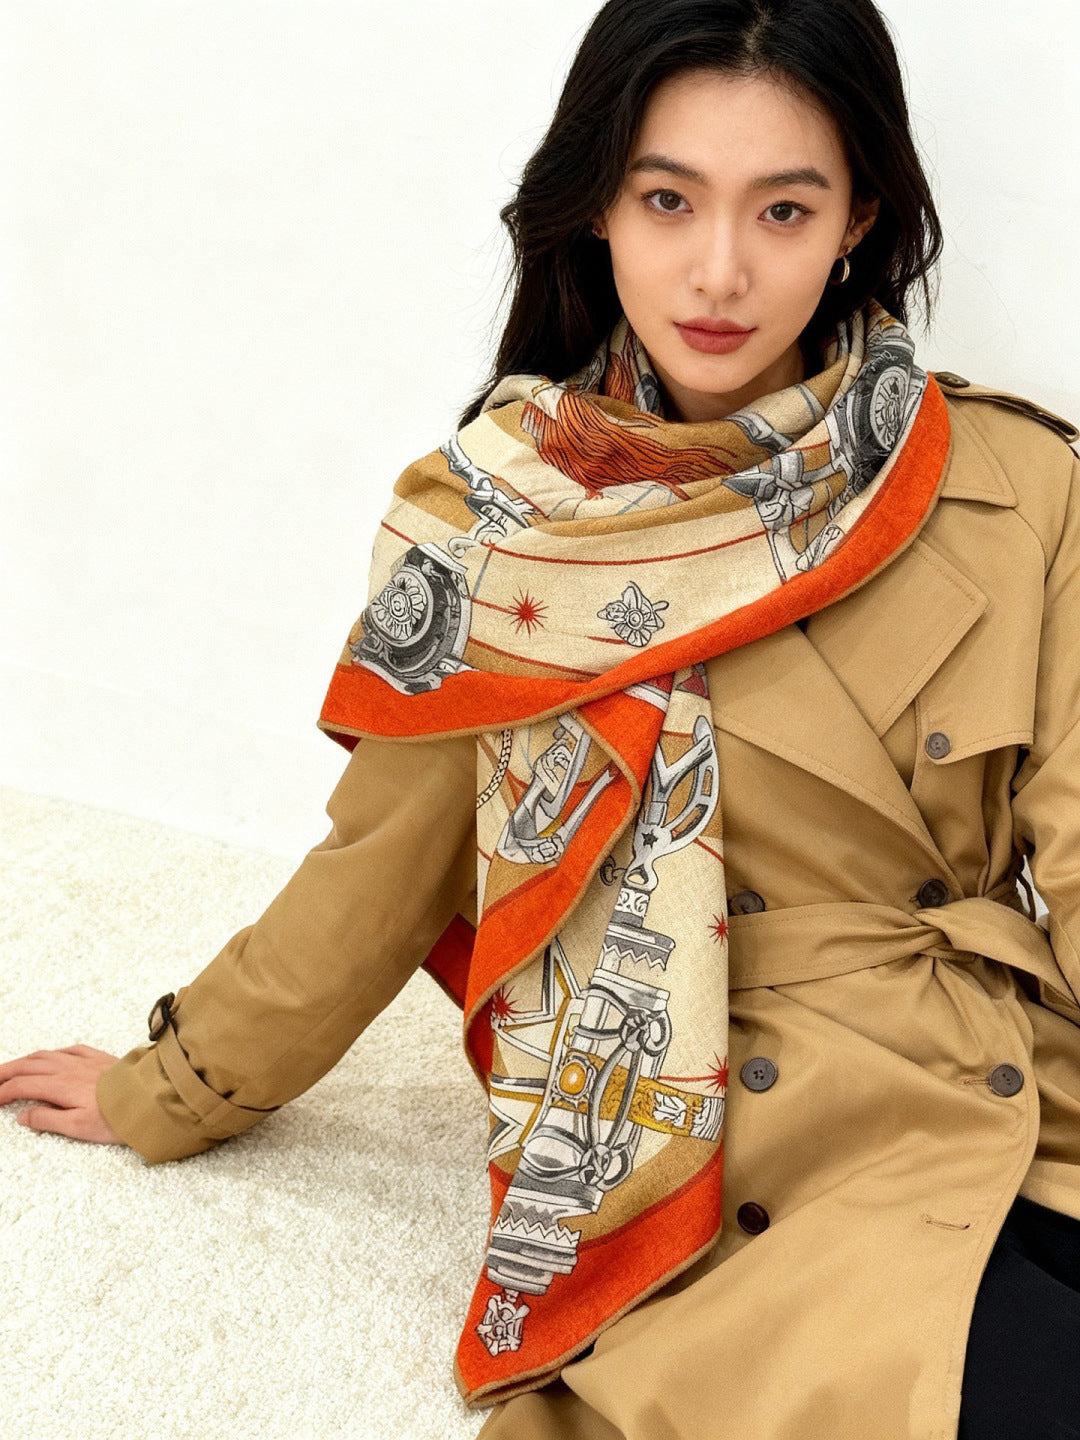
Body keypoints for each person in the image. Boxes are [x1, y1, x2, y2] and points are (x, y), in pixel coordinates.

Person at [4, 1, 1080, 1435]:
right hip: (739, 1135)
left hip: (1027, 1090)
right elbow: (373, 879)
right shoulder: (505, 537)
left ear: (857, 220)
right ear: (598, 209)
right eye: (668, 199)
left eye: (783, 209)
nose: (719, 270)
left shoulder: (1014, 485)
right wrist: (175, 1086)